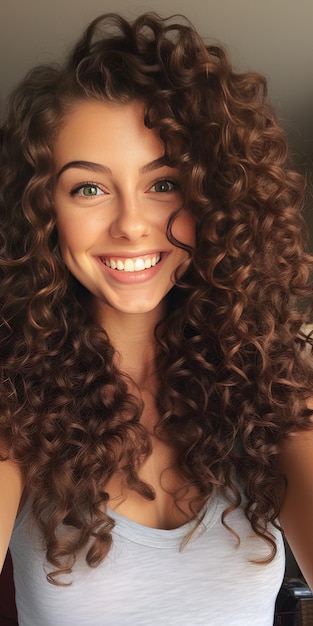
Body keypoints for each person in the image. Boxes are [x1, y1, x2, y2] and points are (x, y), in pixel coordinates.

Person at [0, 11, 313, 626]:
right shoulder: (13, 396)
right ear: (43, 214)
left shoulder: (275, 384)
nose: (132, 224)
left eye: (163, 183)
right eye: (88, 189)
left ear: (213, 199)